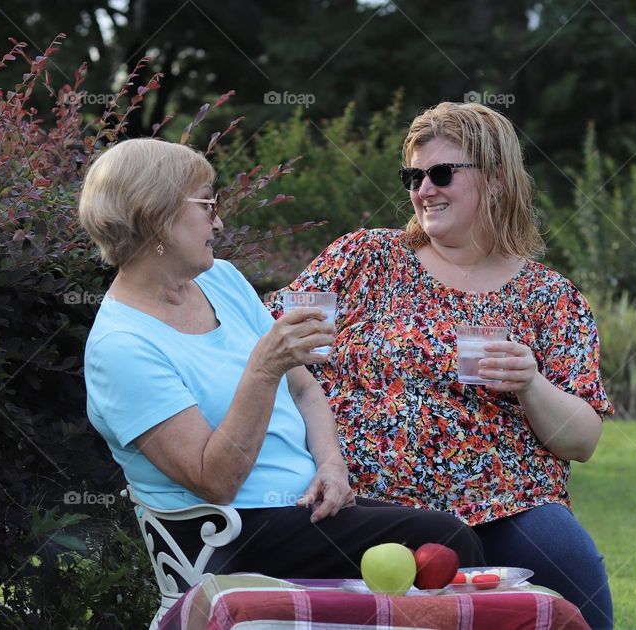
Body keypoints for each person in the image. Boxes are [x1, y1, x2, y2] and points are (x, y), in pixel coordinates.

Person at [268, 102, 614, 627]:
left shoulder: (549, 296)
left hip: (504, 500)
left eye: (442, 173)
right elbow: (267, 330)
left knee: (573, 573)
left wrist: (530, 383)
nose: (424, 189)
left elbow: (582, 440)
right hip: (367, 497)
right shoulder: (366, 258)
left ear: (496, 181)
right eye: (414, 175)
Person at [79, 138, 484, 582]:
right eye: (207, 206)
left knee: (443, 538)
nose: (219, 221)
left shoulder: (221, 280)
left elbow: (305, 388)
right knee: (444, 542)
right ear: (155, 216)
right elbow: (214, 482)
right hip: (230, 536)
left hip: (300, 510)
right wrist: (262, 369)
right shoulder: (121, 346)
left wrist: (331, 466)